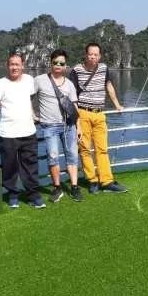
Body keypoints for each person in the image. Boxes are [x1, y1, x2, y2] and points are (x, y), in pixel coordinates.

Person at [0, 52, 46, 209]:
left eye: (17, 64)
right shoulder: (1, 83)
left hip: (28, 132)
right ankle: (13, 194)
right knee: (9, 166)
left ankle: (33, 195)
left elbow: (31, 100)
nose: (14, 67)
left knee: (31, 166)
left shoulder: (29, 80)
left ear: (22, 66)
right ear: (7, 66)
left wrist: (34, 115)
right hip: (7, 133)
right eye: (12, 64)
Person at [69, 43, 128, 193]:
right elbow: (71, 94)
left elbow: (109, 86)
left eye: (96, 55)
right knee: (84, 149)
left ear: (99, 56)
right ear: (85, 54)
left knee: (102, 149)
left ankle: (106, 181)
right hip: (83, 113)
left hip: (100, 113)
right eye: (90, 54)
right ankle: (92, 180)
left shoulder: (103, 68)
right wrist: (76, 118)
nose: (93, 57)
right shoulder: (76, 70)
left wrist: (117, 104)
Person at [34, 49, 83, 203]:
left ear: (66, 66)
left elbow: (75, 106)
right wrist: (32, 114)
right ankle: (57, 187)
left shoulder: (69, 84)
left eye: (61, 63)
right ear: (50, 63)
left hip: (69, 126)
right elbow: (28, 97)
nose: (58, 65)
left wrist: (79, 126)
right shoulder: (39, 80)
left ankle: (74, 187)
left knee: (72, 156)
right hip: (49, 126)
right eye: (55, 62)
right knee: (53, 156)